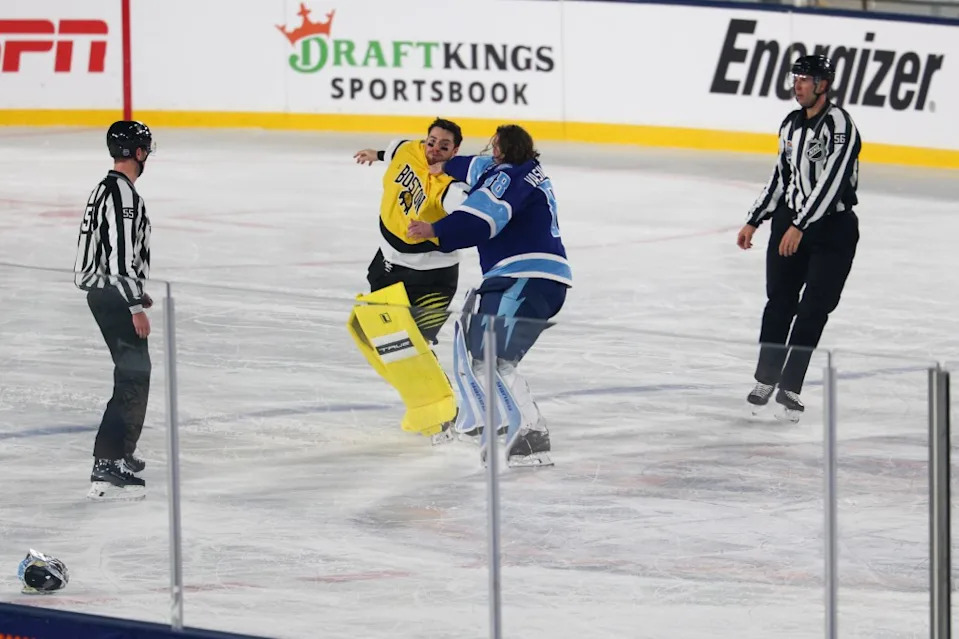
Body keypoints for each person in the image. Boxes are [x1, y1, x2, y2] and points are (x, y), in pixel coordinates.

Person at [408, 124, 571, 466]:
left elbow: (482, 220)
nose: (488, 151)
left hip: (523, 277)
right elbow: (472, 166)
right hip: (529, 279)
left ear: (502, 150)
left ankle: (530, 434)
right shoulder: (523, 170)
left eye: (493, 145)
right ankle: (497, 419)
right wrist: (444, 165)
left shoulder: (507, 178)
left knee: (491, 359)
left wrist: (434, 230)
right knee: (482, 355)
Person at [737, 54, 861, 422]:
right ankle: (765, 379)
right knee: (779, 303)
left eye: (805, 79)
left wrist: (801, 224)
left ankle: (790, 386)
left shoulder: (840, 124)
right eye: (796, 78)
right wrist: (754, 220)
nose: (798, 85)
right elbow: (781, 178)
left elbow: (833, 180)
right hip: (791, 223)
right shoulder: (790, 124)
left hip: (831, 230)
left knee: (812, 309)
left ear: (823, 84)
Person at [348, 118, 469, 442]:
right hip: (388, 265)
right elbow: (392, 153)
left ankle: (447, 408)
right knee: (385, 340)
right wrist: (373, 154)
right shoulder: (407, 148)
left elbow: (470, 214)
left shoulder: (451, 187)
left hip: (432, 278)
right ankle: (425, 400)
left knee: (415, 342)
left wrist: (441, 227)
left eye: (444, 146)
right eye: (432, 141)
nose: (434, 150)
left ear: (455, 150)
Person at [74, 120, 155, 500]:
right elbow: (121, 257)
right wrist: (134, 303)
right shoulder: (121, 194)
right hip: (112, 294)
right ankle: (109, 462)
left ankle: (119, 453)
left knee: (133, 373)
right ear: (138, 153)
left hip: (109, 291)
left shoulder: (104, 188)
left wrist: (136, 292)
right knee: (133, 375)